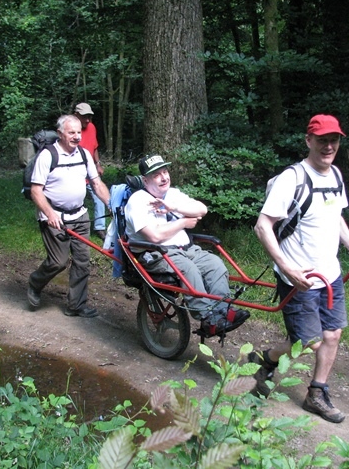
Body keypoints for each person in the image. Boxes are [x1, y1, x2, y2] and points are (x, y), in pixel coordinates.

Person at [252, 114, 349, 423]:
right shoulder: (291, 179)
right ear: (309, 141)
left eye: (334, 140)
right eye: (322, 140)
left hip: (329, 274)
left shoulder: (335, 176)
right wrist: (286, 267)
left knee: (332, 336)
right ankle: (266, 360)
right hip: (300, 277)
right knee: (307, 342)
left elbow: (337, 217)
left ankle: (316, 394)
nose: (329, 146)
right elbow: (263, 227)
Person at [124, 154, 250, 335]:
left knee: (215, 265)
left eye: (165, 171)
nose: (164, 177)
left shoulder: (173, 194)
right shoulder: (138, 201)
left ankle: (224, 311)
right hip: (157, 253)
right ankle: (209, 320)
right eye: (156, 175)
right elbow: (155, 236)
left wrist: (173, 208)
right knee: (188, 270)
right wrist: (183, 223)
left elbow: (202, 209)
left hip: (187, 249)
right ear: (145, 180)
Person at [27, 114, 111, 317]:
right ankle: (35, 283)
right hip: (54, 217)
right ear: (60, 134)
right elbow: (36, 191)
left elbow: (97, 184)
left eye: (78, 132)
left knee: (82, 261)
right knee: (58, 262)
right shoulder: (48, 156)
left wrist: (113, 206)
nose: (76, 136)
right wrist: (49, 214)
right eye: (71, 132)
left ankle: (76, 305)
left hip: (80, 216)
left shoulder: (84, 154)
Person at [74, 102, 107, 241]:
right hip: (74, 170)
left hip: (90, 169)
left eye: (89, 116)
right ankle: (75, 227)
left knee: (99, 197)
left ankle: (100, 227)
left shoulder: (92, 127)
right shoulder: (70, 130)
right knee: (75, 199)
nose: (87, 120)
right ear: (76, 116)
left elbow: (94, 147)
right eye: (84, 116)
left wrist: (97, 164)